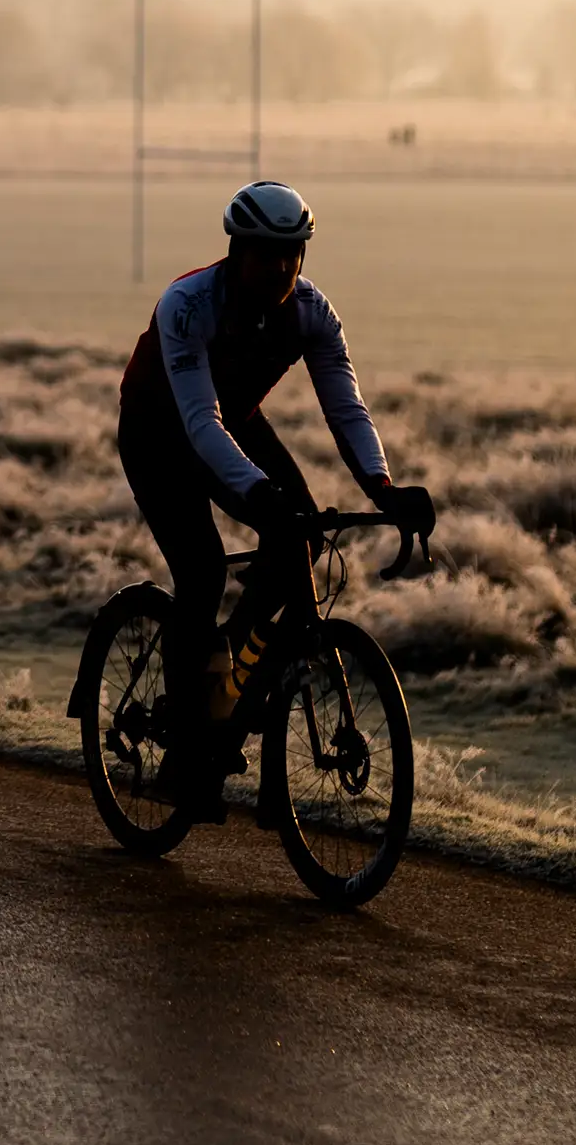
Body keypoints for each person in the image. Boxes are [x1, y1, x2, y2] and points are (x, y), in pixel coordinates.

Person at [119, 180, 434, 816]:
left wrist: (383, 487)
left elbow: (345, 408)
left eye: (295, 254)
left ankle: (225, 684)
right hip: (160, 429)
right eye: (268, 254)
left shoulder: (312, 313)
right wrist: (257, 494)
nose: (283, 268)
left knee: (303, 538)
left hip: (231, 419)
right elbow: (199, 422)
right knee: (203, 570)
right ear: (236, 250)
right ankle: (184, 747)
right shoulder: (188, 304)